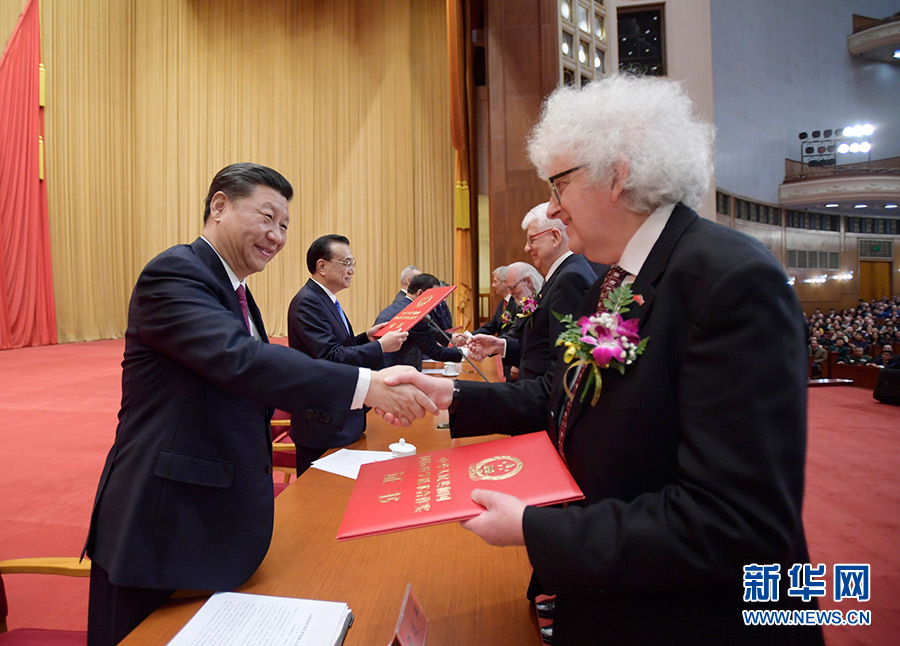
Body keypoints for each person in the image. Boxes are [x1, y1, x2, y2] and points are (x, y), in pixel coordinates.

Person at [383, 76, 822, 644]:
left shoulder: (729, 280)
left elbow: (736, 521)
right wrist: (453, 394)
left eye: (559, 184)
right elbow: (565, 397)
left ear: (617, 176)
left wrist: (536, 530)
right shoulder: (619, 277)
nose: (553, 207)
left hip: (689, 620)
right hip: (618, 593)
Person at [83, 163, 435, 645]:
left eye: (285, 225)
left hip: (213, 520)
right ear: (220, 206)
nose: (277, 236)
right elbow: (241, 361)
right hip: (162, 523)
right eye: (267, 217)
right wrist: (366, 385)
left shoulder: (236, 291)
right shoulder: (176, 273)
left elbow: (260, 380)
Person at [287, 234, 408, 474]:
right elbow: (330, 357)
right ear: (322, 266)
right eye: (346, 263)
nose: (352, 270)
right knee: (322, 494)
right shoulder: (308, 302)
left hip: (338, 419)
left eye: (353, 263)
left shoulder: (325, 300)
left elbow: (338, 346)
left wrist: (366, 338)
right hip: (322, 423)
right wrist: (381, 347)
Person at [467, 203, 596, 380]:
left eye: (532, 240)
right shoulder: (562, 275)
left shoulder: (571, 278)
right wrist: (500, 346)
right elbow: (542, 345)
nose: (526, 248)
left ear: (555, 237)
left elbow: (562, 364)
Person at [375, 273, 463, 370]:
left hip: (374, 365)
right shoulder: (414, 313)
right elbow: (434, 351)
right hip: (389, 369)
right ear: (420, 293)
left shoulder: (395, 307)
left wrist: (449, 338)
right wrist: (465, 353)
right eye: (433, 296)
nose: (435, 302)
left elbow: (428, 330)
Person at [472, 265, 519, 336]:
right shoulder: (501, 304)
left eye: (495, 281)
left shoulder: (517, 303)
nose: (493, 285)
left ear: (505, 282)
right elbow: (492, 326)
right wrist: (469, 335)